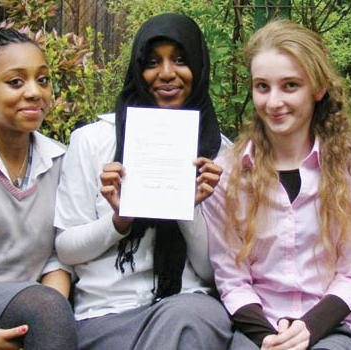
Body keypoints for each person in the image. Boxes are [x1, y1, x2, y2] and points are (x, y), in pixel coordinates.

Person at [54, 13, 232, 350]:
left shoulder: (220, 153)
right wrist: (120, 219)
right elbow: (66, 249)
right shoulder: (93, 142)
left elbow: (213, 274)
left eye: (180, 60)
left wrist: (186, 207)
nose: (166, 73)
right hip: (107, 312)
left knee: (185, 321)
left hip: (187, 304)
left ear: (199, 65)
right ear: (139, 69)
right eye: (153, 62)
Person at [202, 20, 351, 350]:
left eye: (290, 85)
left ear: (317, 88)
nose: (273, 102)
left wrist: (308, 329)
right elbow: (231, 277)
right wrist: (268, 337)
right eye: (262, 87)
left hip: (331, 325)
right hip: (258, 326)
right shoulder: (227, 173)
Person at [0, 29, 77, 349]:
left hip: (30, 307)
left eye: (43, 80)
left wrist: (49, 317)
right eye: (16, 82)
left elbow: (59, 259)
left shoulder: (60, 161)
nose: (34, 92)